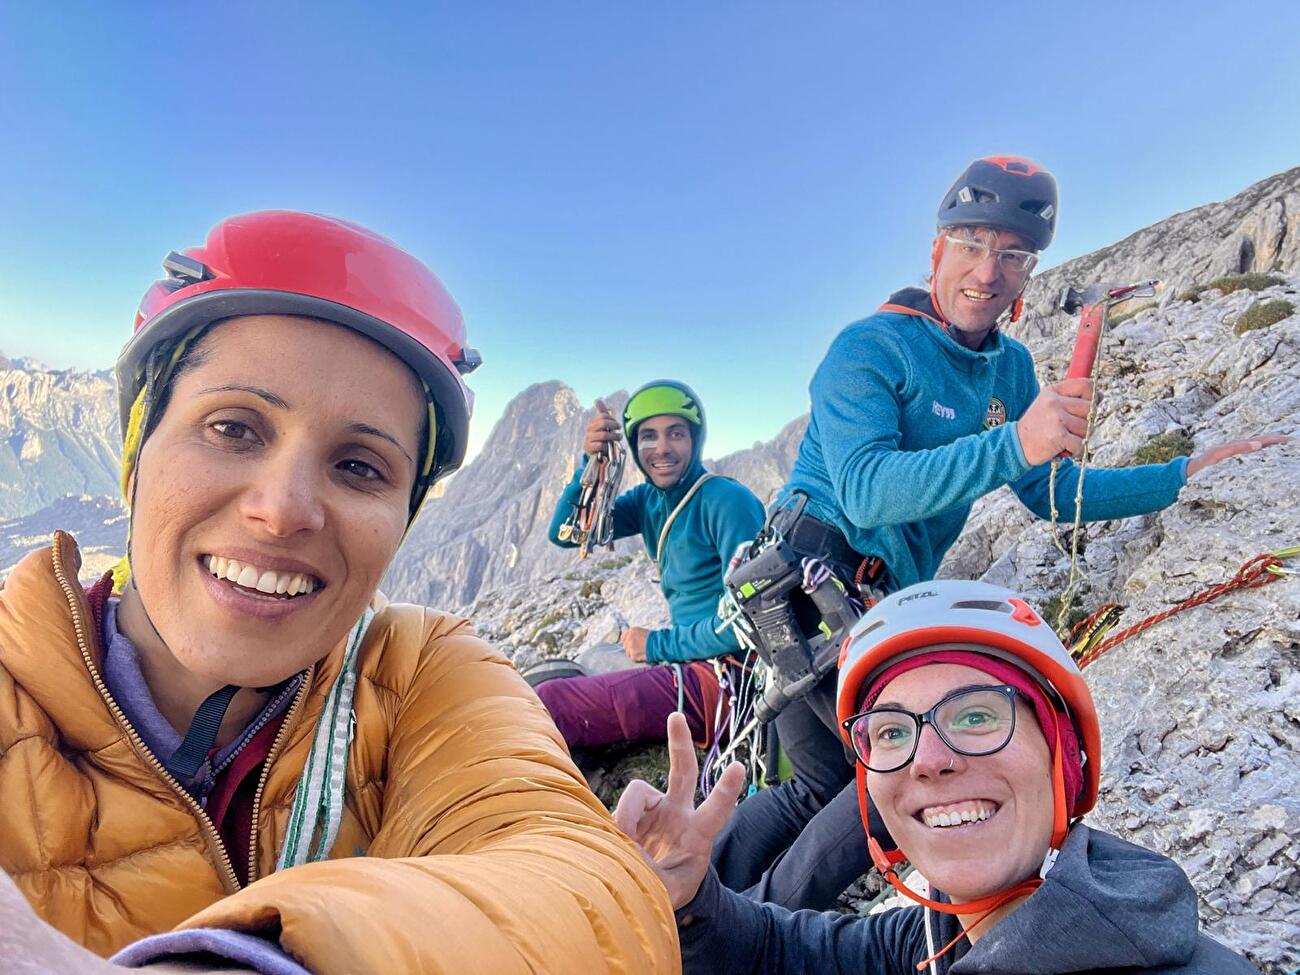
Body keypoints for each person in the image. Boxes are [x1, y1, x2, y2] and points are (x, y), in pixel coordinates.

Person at [0, 211, 678, 974]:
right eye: (233, 427)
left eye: (359, 466)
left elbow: (584, 883)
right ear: (137, 446)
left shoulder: (423, 670)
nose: (283, 509)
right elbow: (572, 533)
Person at [710, 155, 1291, 910]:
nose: (989, 271)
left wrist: (1181, 473)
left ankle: (690, 904)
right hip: (810, 584)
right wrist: (1017, 440)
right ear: (936, 251)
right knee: (873, 789)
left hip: (848, 599)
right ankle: (738, 938)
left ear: (1028, 275)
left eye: (1014, 254)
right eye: (973, 244)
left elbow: (1052, 492)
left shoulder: (1009, 368)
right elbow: (865, 487)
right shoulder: (869, 348)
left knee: (822, 781)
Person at [616, 581, 1261, 974]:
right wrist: (689, 902)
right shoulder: (941, 937)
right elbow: (778, 952)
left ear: (1062, 758)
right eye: (892, 731)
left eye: (977, 715)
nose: (929, 757)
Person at [537, 381, 765, 752]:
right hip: (694, 664)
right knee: (552, 675)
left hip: (725, 682)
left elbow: (751, 621)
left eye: (675, 433)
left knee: (551, 702)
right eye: (648, 436)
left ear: (695, 439)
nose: (661, 448)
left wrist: (655, 645)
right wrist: (591, 463)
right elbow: (566, 533)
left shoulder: (727, 501)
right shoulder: (648, 500)